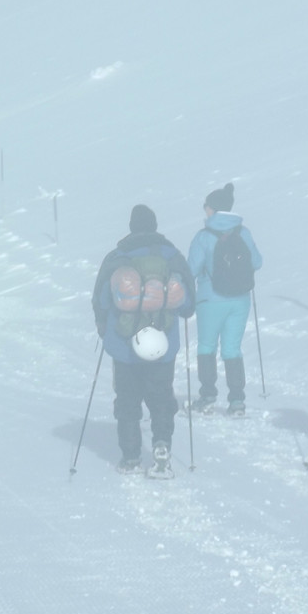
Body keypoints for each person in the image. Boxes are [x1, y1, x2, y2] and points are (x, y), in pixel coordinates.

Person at [92, 204, 196, 476]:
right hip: (163, 345)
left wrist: (104, 328)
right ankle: (162, 447)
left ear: (131, 227)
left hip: (124, 346)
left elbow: (101, 300)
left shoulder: (116, 258)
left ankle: (130, 457)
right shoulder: (172, 256)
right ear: (155, 226)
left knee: (127, 400)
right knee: (161, 397)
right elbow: (188, 304)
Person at [187, 182, 263, 416]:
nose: (205, 210)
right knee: (232, 348)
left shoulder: (204, 236)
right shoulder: (243, 231)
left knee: (207, 346)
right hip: (240, 300)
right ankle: (237, 401)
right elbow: (257, 262)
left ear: (214, 209)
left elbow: (191, 269)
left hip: (211, 299)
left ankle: (208, 396)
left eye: (206, 207)